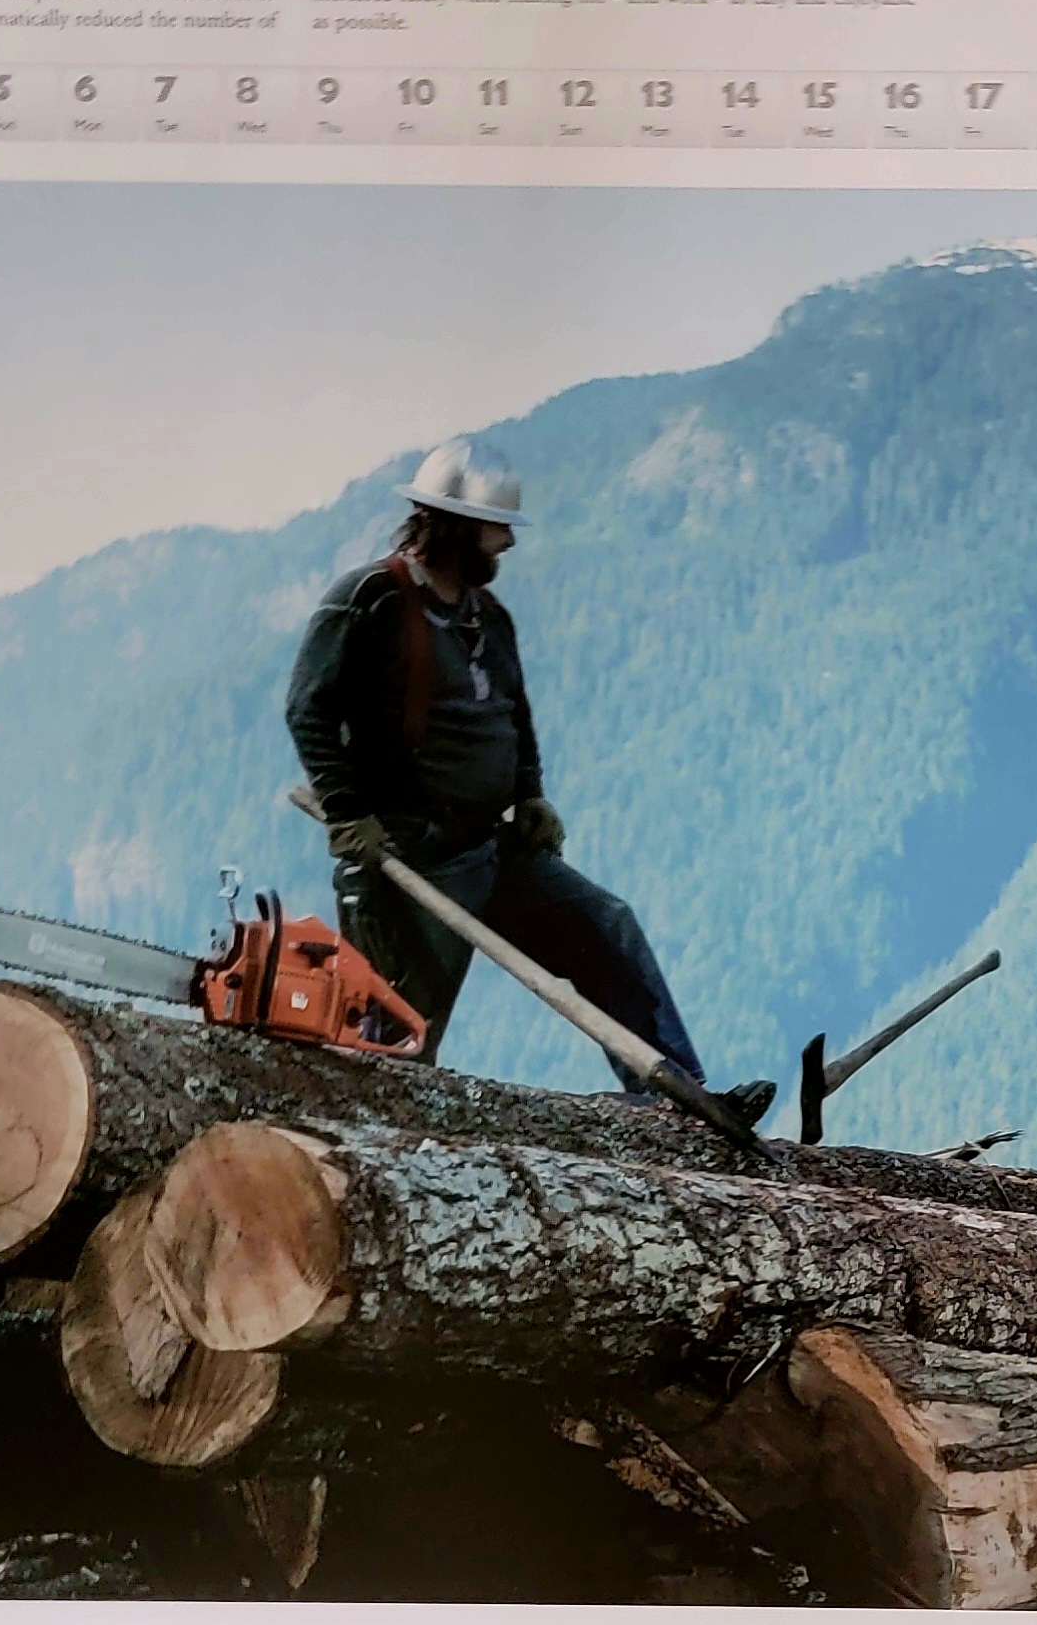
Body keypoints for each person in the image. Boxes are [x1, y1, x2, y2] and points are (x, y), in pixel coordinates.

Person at [285, 436, 774, 1125]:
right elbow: (307, 708)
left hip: (491, 849)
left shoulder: (488, 618)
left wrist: (530, 794)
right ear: (456, 526)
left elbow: (515, 716)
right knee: (399, 1040)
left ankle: (680, 1102)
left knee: (605, 927)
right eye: (497, 528)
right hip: (408, 858)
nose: (508, 543)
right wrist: (345, 809)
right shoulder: (370, 601)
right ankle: (365, 1141)